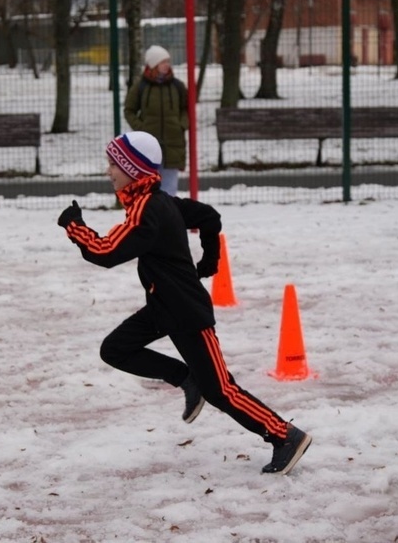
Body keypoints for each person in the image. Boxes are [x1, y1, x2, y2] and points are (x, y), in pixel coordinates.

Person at [56, 131, 312, 475]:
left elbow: (106, 251)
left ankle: (285, 436)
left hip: (185, 313)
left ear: (133, 168)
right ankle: (186, 379)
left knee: (221, 390)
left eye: (114, 164)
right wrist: (211, 260)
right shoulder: (160, 203)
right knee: (115, 349)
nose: (109, 171)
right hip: (165, 307)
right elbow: (209, 217)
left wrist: (74, 226)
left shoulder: (148, 209)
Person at [124, 45, 188, 197]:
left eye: (167, 61)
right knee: (149, 188)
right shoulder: (141, 87)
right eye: (163, 62)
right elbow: (129, 110)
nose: (167, 65)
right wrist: (141, 128)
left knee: (170, 188)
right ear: (153, 65)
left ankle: (168, 218)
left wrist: (181, 125)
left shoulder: (177, 86)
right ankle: (151, 217)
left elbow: (186, 109)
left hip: (173, 143)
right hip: (149, 145)